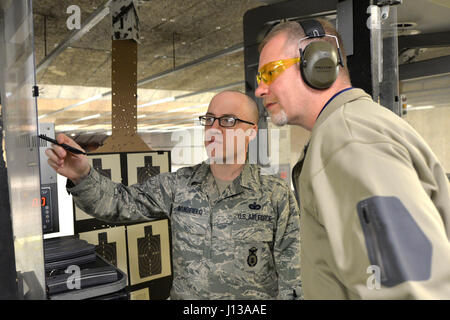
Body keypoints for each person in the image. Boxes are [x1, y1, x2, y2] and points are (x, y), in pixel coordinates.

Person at [255, 18, 450, 299]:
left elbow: (410, 289)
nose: (260, 89)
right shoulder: (349, 129)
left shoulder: (348, 140)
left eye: (270, 73)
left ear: (317, 63)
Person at [45, 90, 302, 300]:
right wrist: (82, 174)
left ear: (252, 131)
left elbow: (294, 280)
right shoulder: (179, 185)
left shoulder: (275, 196)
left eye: (228, 121)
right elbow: (118, 203)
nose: (214, 128)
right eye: (209, 119)